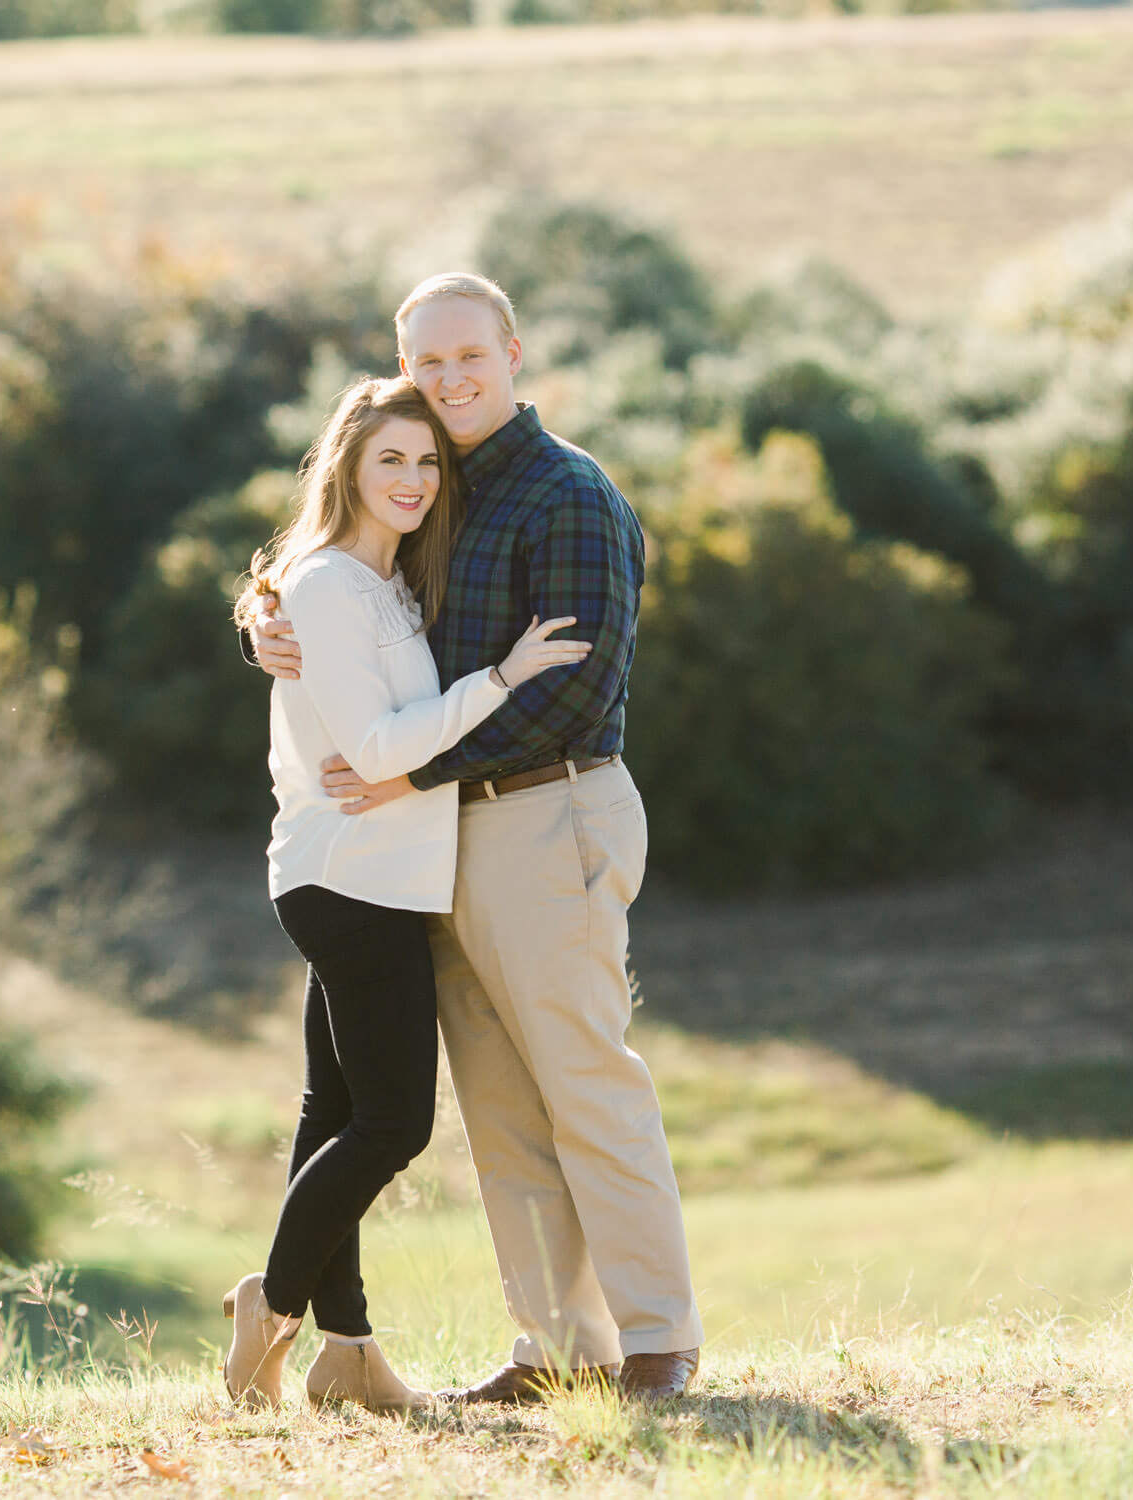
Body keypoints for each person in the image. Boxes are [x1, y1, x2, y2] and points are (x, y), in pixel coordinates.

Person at [248, 274, 703, 1404]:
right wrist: (263, 618)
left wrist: (409, 767)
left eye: (468, 356)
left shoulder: (568, 495)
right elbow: (338, 595)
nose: (447, 379)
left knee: (584, 1080)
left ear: (512, 353)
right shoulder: (429, 490)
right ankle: (555, 1348)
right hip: (444, 833)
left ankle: (658, 1340)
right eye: (426, 363)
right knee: (498, 1099)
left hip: (549, 807)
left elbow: (574, 689)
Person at [222, 374, 593, 1415]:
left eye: (428, 461)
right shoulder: (331, 585)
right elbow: (377, 748)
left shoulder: (379, 587)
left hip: (374, 876)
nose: (415, 479)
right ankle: (273, 1303)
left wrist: (257, 622)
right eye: (390, 458)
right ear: (343, 463)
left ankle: (346, 1354)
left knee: (332, 1108)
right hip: (349, 876)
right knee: (394, 1123)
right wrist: (504, 678)